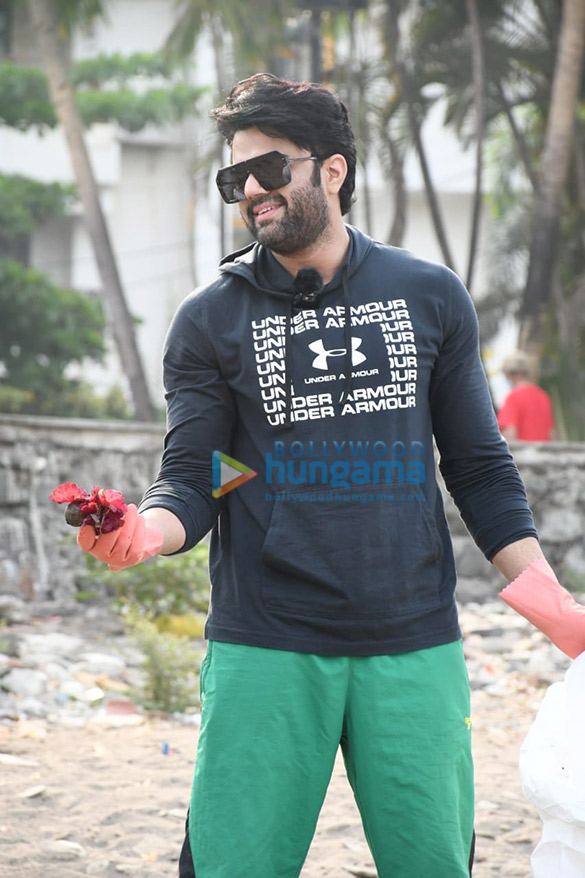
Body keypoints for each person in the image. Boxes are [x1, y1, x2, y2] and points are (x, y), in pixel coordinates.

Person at [76, 74, 585, 877]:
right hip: (265, 644)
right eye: (233, 179)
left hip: (412, 641)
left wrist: (555, 608)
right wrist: (143, 533)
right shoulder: (210, 319)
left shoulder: (428, 295)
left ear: (333, 171)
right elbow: (204, 474)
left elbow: (478, 467)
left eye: (269, 170)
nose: (250, 192)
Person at [497, 350, 555, 441]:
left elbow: (510, 432)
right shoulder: (543, 396)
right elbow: (551, 434)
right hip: (543, 454)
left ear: (508, 374)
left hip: (522, 454)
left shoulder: (513, 397)